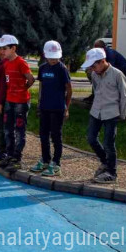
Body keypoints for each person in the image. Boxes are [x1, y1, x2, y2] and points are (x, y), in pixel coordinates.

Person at [82, 47, 126, 184]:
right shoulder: (95, 75)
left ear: (102, 61)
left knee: (109, 143)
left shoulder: (117, 74)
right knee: (91, 138)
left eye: (94, 65)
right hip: (96, 111)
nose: (92, 69)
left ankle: (112, 173)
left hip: (111, 112)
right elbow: (96, 90)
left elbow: (124, 95)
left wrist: (122, 114)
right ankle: (105, 162)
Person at [31, 40, 73, 177]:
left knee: (56, 136)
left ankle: (56, 163)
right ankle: (45, 159)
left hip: (58, 107)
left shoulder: (62, 69)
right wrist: (39, 102)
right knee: (43, 135)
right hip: (45, 106)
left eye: (56, 57)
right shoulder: (43, 68)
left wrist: (66, 107)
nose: (53, 60)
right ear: (45, 55)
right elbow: (42, 86)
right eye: (51, 57)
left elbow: (69, 88)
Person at [0, 35, 34, 171]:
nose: (2, 51)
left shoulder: (21, 63)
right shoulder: (6, 64)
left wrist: (22, 89)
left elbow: (30, 79)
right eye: (1, 49)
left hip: (20, 102)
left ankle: (17, 157)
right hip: (9, 100)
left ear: (13, 48)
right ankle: (9, 155)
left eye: (5, 49)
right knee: (7, 129)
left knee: (19, 130)